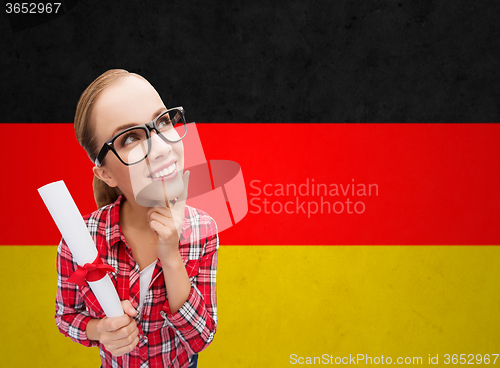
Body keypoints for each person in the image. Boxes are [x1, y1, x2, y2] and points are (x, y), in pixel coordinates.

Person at [55, 69, 218, 368]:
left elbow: (200, 338)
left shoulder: (202, 230)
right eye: (130, 138)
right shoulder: (81, 239)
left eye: (163, 121)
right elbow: (66, 316)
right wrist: (98, 330)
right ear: (105, 173)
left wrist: (170, 255)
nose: (159, 148)